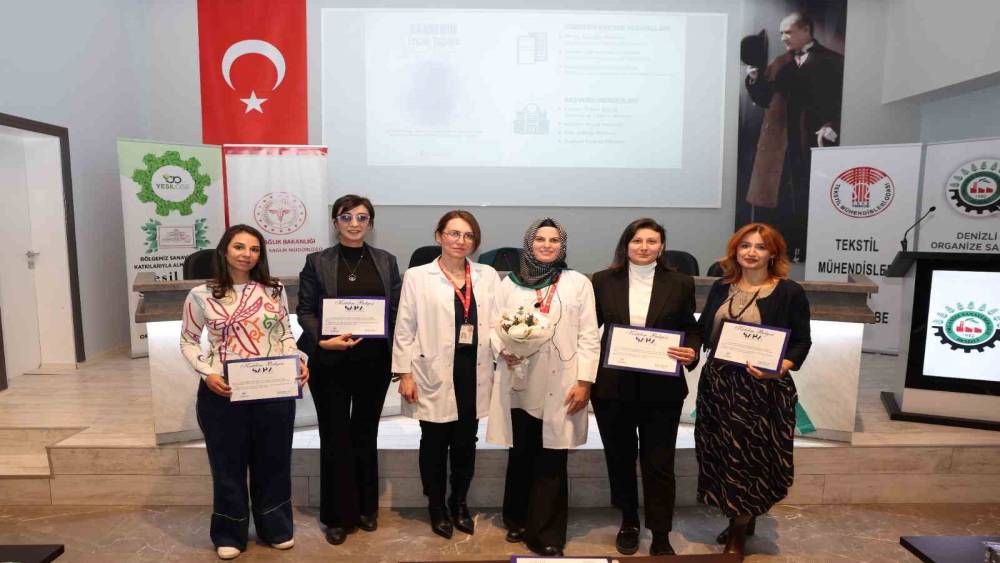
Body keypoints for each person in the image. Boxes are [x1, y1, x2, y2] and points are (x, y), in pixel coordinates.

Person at [180, 224, 309, 561]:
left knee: (274, 462)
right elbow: (188, 341)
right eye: (239, 247)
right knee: (227, 466)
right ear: (224, 250)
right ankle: (229, 532)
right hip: (223, 392)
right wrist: (207, 372)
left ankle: (275, 527)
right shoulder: (201, 294)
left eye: (254, 249)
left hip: (273, 389)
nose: (246, 254)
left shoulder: (273, 289)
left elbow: (284, 333)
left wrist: (298, 360)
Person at [695, 222, 812, 560]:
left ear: (772, 253)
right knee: (723, 454)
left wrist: (780, 367)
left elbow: (802, 342)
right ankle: (742, 516)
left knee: (750, 459)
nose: (751, 252)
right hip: (719, 387)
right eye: (745, 245)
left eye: (760, 247)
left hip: (762, 390)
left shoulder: (789, 292)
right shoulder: (721, 287)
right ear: (735, 251)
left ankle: (738, 530)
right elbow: (703, 330)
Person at [486, 217, 600, 557]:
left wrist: (584, 382)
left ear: (562, 246)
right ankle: (517, 519)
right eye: (540, 240)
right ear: (528, 244)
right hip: (520, 379)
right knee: (521, 453)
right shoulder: (509, 283)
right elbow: (493, 326)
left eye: (554, 240)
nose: (547, 245)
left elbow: (589, 336)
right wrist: (502, 349)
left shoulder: (578, 283)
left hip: (562, 382)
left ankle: (547, 533)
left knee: (552, 458)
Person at [590, 218, 701, 556]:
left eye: (652, 241)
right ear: (626, 244)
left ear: (662, 246)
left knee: (659, 463)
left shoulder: (680, 283)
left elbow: (690, 328)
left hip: (662, 389)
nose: (644, 247)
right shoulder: (602, 280)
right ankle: (628, 522)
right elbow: (588, 330)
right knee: (620, 459)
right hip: (613, 388)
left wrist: (692, 351)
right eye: (637, 240)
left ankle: (661, 532)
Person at [296, 194, 402, 546]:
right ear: (335, 222)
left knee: (365, 434)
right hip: (330, 362)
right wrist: (322, 340)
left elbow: (395, 311)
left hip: (374, 363)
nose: (354, 224)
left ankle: (366, 507)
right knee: (335, 437)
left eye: (361, 217)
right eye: (346, 217)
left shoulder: (386, 261)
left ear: (370, 223)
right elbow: (305, 310)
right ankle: (337, 516)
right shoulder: (317, 261)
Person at [392, 210, 500, 538]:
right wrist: (404, 374)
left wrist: (508, 349)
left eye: (468, 235)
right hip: (433, 371)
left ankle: (459, 503)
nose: (460, 241)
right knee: (434, 442)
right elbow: (405, 327)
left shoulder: (487, 275)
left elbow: (497, 322)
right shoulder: (417, 276)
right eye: (453, 233)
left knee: (466, 441)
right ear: (439, 236)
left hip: (473, 370)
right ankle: (436, 505)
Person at [744, 12, 844, 260]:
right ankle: (775, 252)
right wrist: (754, 80)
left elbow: (842, 102)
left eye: (788, 32)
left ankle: (804, 251)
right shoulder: (779, 63)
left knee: (808, 198)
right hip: (778, 144)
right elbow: (764, 99)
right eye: (781, 33)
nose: (783, 38)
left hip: (810, 141)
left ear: (806, 30)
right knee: (777, 201)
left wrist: (832, 126)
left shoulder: (833, 61)